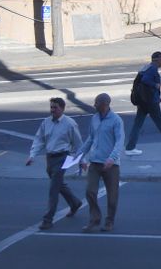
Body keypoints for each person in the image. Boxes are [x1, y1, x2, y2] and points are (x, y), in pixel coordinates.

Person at [26, 97, 84, 230]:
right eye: (51, 107)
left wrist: (82, 160)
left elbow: (78, 144)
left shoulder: (70, 124)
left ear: (62, 109)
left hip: (62, 157)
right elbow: (39, 140)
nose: (52, 110)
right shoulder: (46, 122)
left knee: (53, 189)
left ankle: (48, 219)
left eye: (55, 107)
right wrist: (32, 156)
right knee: (58, 185)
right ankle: (75, 203)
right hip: (50, 158)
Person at [123, 51, 161, 155]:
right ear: (157, 60)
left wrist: (157, 96)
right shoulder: (152, 69)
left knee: (137, 124)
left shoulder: (146, 67)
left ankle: (130, 148)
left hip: (143, 101)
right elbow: (145, 81)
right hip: (150, 103)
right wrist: (155, 85)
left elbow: (143, 85)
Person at [78, 93, 124, 233]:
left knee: (112, 195)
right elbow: (91, 139)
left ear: (105, 104)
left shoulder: (116, 120)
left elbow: (119, 142)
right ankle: (94, 219)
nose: (94, 105)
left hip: (111, 164)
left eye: (96, 103)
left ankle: (109, 222)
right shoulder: (94, 118)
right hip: (95, 162)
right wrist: (80, 155)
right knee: (90, 191)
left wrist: (112, 158)